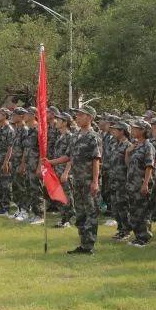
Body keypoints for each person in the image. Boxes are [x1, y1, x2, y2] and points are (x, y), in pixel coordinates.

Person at [47, 106, 102, 255]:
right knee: (81, 213)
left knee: (90, 213)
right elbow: (68, 157)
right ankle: (83, 244)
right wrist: (49, 162)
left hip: (88, 181)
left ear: (90, 118)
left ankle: (89, 245)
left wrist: (95, 181)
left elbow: (96, 160)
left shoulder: (93, 136)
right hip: (77, 180)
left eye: (81, 115)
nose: (77, 117)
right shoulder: (76, 136)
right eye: (77, 115)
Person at [105, 120, 133, 240]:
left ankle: (126, 230)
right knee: (115, 207)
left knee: (123, 207)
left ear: (123, 131)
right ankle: (120, 229)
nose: (113, 131)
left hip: (123, 181)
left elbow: (130, 165)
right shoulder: (114, 144)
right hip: (113, 180)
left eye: (116, 129)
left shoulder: (129, 146)